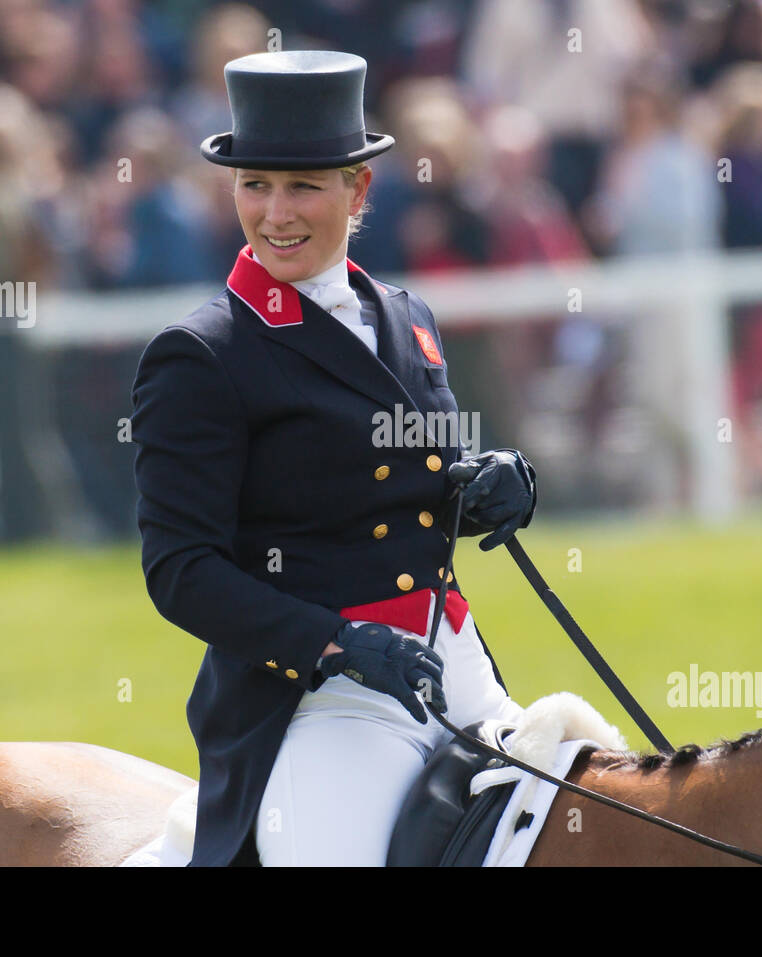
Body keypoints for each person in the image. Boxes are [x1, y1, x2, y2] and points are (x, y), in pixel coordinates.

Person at [130, 50, 535, 866]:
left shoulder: (406, 316)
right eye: (255, 185)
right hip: (317, 698)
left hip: (448, 659)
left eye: (303, 186)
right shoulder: (203, 354)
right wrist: (335, 642)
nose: (275, 213)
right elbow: (180, 569)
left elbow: (407, 497)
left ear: (358, 190)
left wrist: (493, 484)